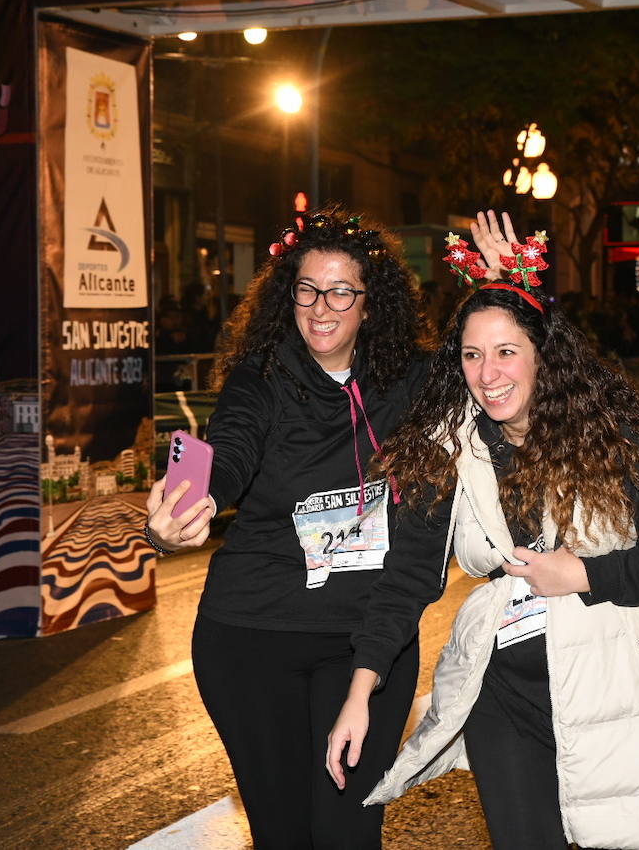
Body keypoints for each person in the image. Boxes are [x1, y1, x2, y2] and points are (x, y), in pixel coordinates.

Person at [326, 229, 639, 849]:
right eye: (473, 356)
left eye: (506, 351)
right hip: (499, 692)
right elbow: (405, 579)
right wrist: (359, 692)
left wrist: (585, 575)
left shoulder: (610, 437)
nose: (489, 373)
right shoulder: (451, 449)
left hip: (606, 684)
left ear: (543, 356)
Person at [144, 206, 504, 847]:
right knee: (284, 835)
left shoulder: (414, 382)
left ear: (371, 303)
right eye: (307, 289)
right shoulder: (260, 378)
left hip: (366, 639)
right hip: (251, 635)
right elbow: (231, 449)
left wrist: (508, 290)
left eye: (341, 291)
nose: (321, 307)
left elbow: (505, 369)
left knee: (349, 833)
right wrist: (191, 507)